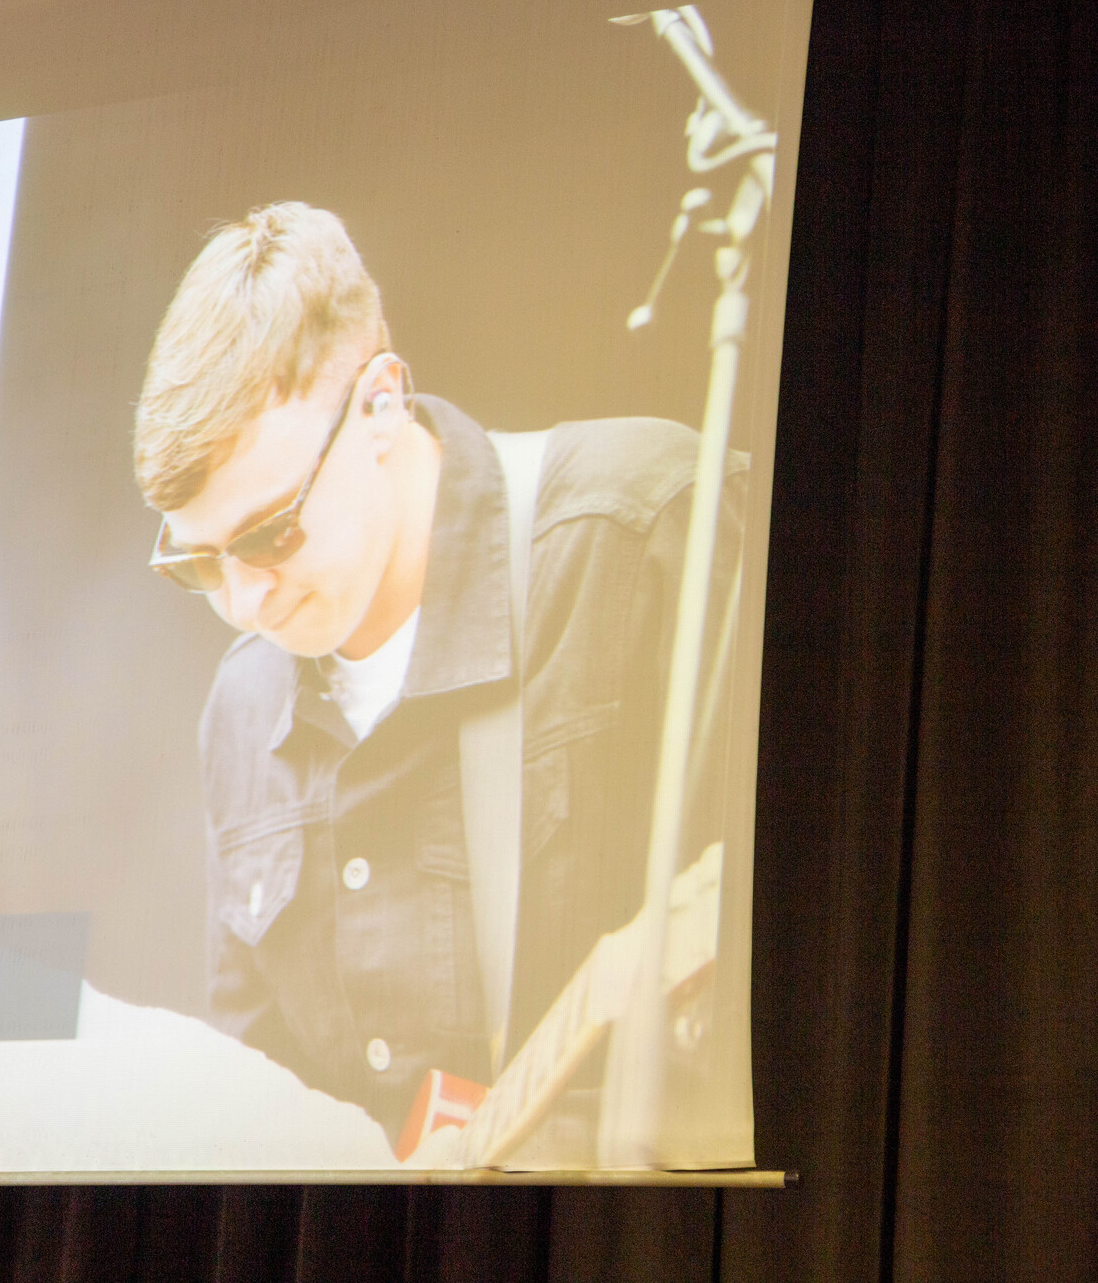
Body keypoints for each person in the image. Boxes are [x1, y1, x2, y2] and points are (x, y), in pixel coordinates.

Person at [133, 202, 745, 1153]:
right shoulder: (242, 707)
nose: (245, 602)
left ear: (380, 404)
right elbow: (257, 1100)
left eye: (271, 533)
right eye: (199, 563)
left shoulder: (648, 531)